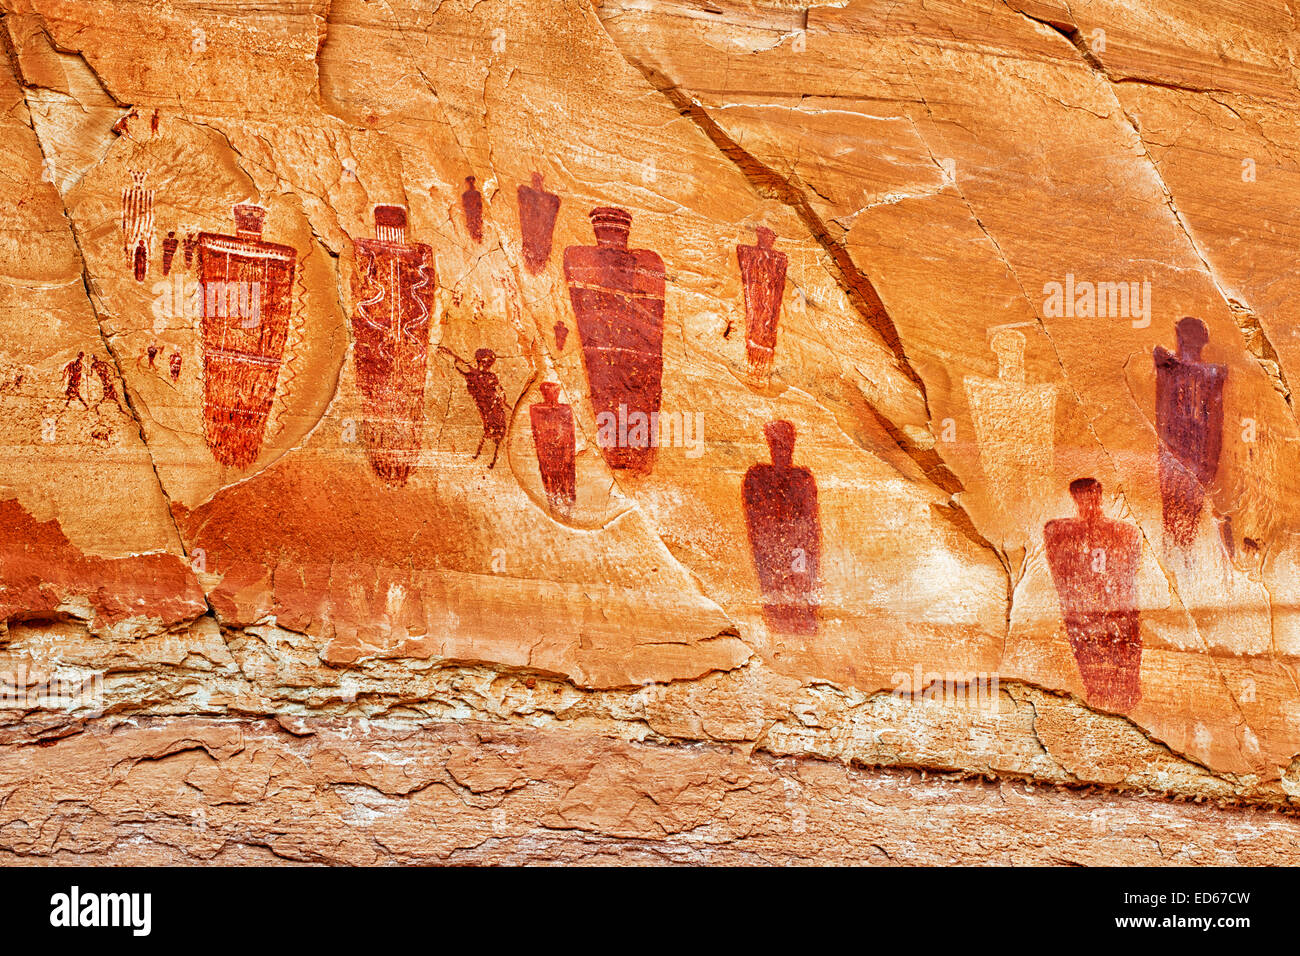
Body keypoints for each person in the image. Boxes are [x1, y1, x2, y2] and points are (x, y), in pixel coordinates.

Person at [439, 345, 506, 468]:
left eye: (489, 362)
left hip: (494, 406)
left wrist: (502, 399)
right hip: (484, 407)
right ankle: (482, 454)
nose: (487, 364)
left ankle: (491, 459)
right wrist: (450, 354)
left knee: (496, 431)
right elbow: (463, 366)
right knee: (488, 429)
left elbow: (500, 391)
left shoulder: (490, 376)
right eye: (484, 361)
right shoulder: (474, 375)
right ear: (479, 361)